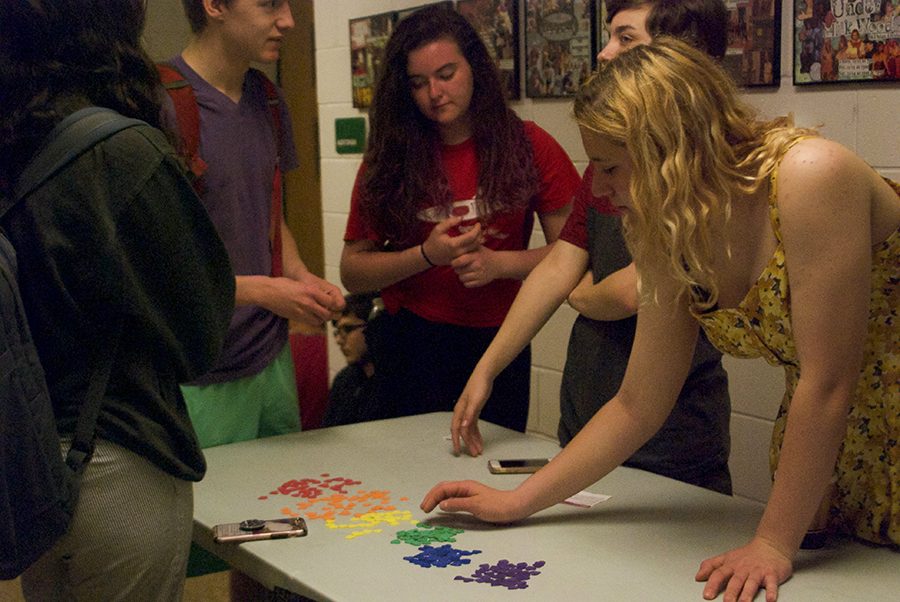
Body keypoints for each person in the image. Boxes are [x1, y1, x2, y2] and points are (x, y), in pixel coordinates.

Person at [423, 38, 899, 602]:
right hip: (836, 438)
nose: (597, 189)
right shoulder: (669, 222)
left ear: (669, 150)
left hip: (849, 410)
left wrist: (771, 543)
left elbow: (828, 380)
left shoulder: (811, 174)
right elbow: (638, 403)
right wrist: (519, 499)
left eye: (609, 167)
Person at [450, 0, 733, 496]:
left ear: (676, 56)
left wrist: (581, 294)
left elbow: (628, 294)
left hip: (672, 440)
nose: (603, 55)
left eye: (624, 39)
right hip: (587, 417)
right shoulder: (609, 165)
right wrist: (487, 369)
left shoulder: (710, 174)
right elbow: (561, 261)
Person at [0, 1, 235, 599]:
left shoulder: (13, 140)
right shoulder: (122, 151)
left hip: (30, 465)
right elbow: (201, 334)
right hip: (117, 460)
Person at [340, 5, 580, 432]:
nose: (434, 93)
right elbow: (353, 271)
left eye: (446, 74)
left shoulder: (528, 144)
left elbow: (578, 252)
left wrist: (502, 265)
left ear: (475, 69)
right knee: (406, 478)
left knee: (488, 476)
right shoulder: (392, 157)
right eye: (418, 83)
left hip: (500, 343)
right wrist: (426, 255)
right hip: (412, 340)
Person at [171, 0, 344, 450]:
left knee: (284, 511)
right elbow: (156, 265)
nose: (286, 19)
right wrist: (267, 292)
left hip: (270, 356)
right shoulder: (161, 104)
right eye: (269, 4)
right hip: (202, 371)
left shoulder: (267, 97)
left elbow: (265, 211)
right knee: (216, 517)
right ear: (214, 6)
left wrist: (301, 276)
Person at [322, 292, 386, 427]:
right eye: (337, 332)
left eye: (347, 329)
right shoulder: (345, 380)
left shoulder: (396, 381)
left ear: (373, 327)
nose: (339, 340)